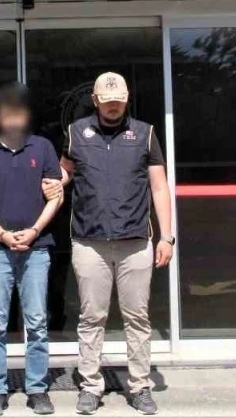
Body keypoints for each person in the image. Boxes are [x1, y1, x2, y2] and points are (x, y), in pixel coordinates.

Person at [61, 73, 174, 416]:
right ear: (95, 101)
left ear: (126, 101)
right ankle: (90, 386)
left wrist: (166, 237)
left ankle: (140, 386)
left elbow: (159, 187)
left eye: (119, 101)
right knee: (91, 317)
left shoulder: (145, 134)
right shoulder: (76, 132)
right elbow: (64, 173)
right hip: (89, 241)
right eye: (107, 101)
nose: (113, 107)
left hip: (135, 241)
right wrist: (45, 182)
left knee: (137, 318)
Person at [0, 83, 63, 416]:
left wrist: (34, 231)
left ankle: (37, 389)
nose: (13, 117)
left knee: (36, 323)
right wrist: (2, 234)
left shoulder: (43, 148)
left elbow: (56, 197)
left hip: (37, 250)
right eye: (6, 111)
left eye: (18, 110)